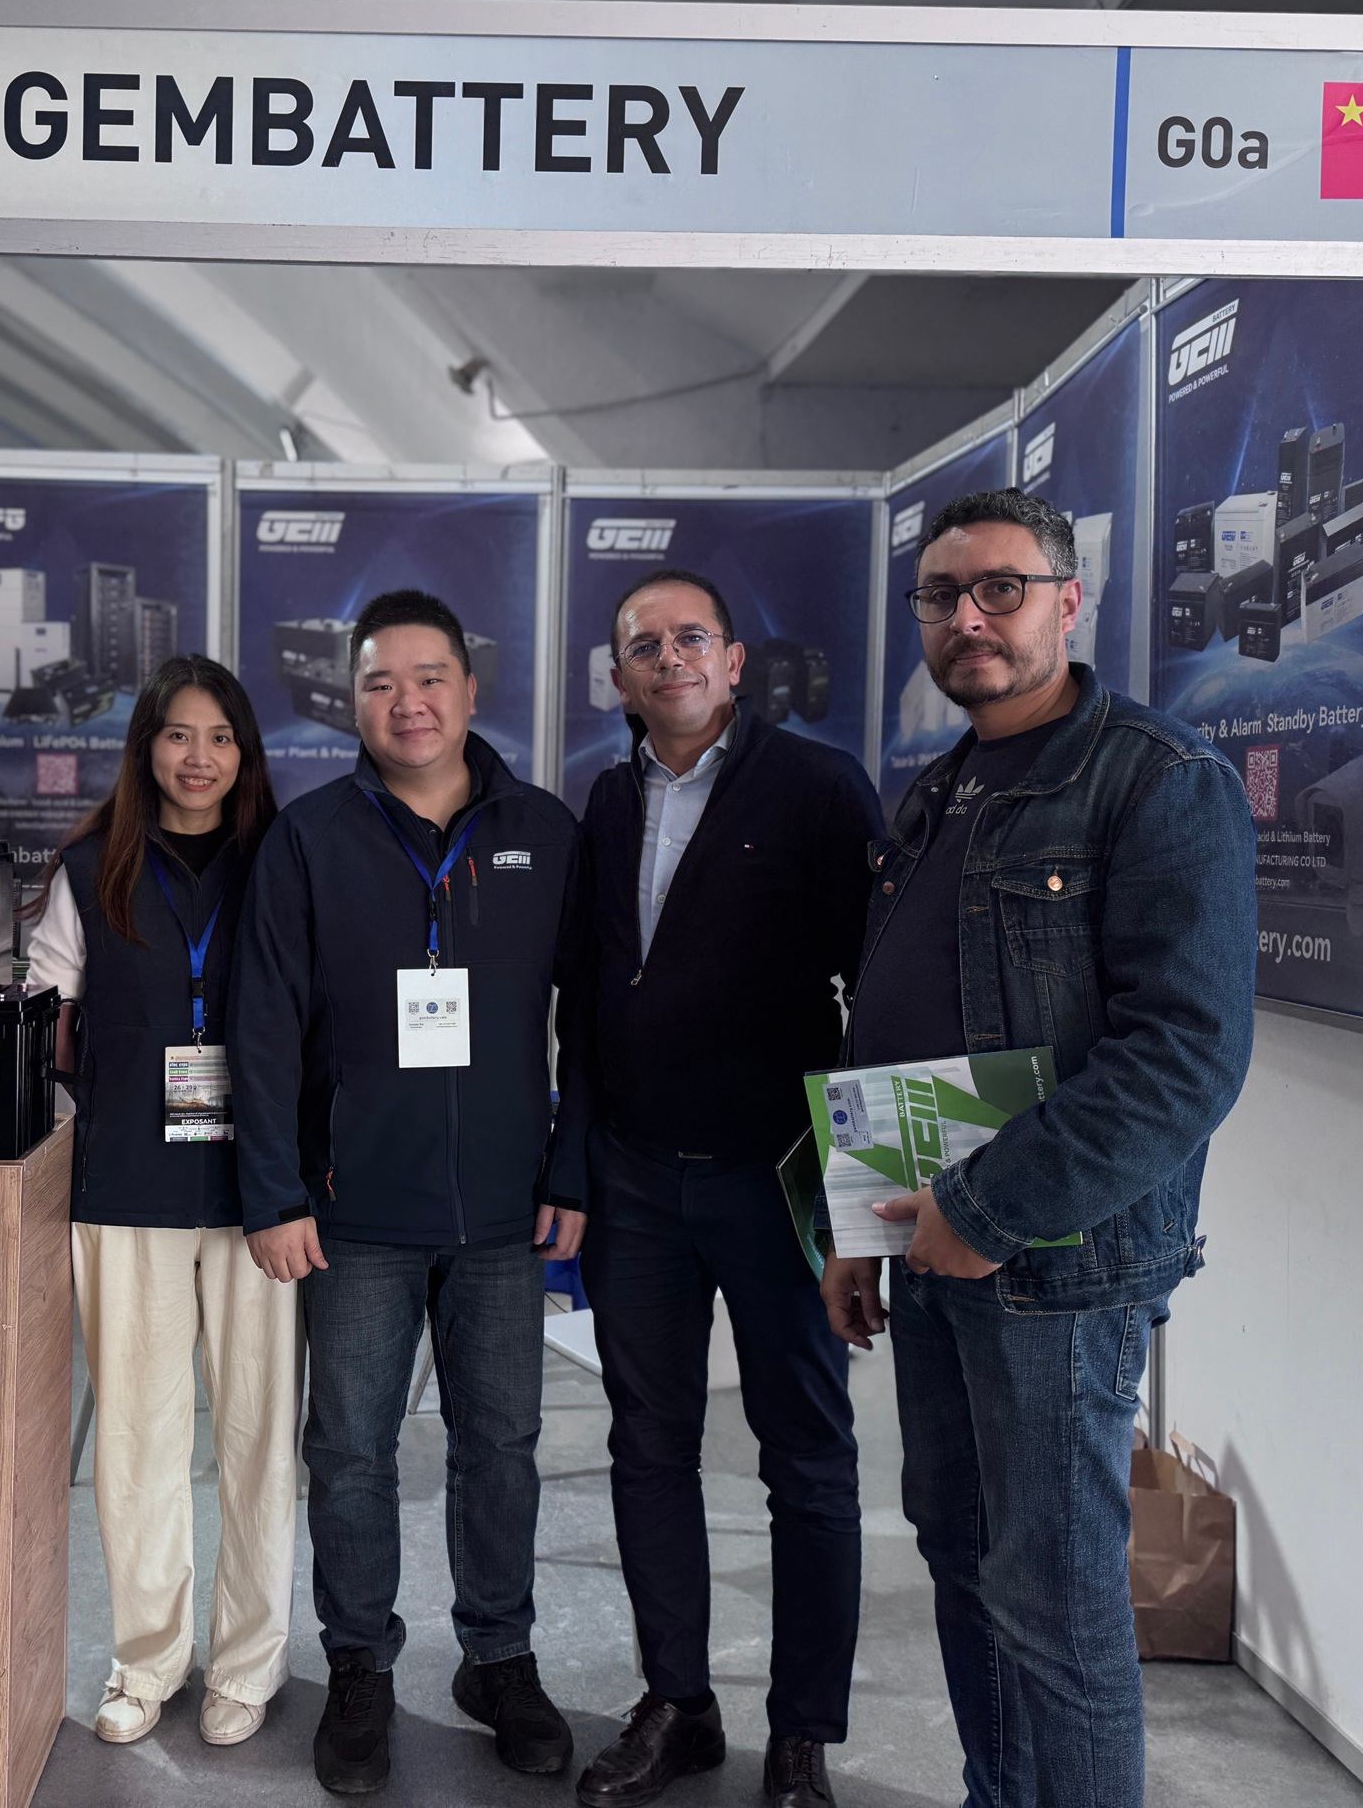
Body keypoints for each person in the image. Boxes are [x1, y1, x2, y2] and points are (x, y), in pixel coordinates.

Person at [819, 489, 1256, 1808]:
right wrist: (858, 1227)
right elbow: (891, 1020)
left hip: (1053, 1267)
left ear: (1069, 600)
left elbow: (1185, 1056)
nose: (968, 618)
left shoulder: (1156, 781)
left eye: (1000, 589)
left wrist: (986, 1207)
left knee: (1056, 1603)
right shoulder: (937, 788)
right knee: (961, 1557)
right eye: (941, 595)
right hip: (929, 1245)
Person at [232, 589, 587, 1797]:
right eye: (381, 681)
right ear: (351, 699)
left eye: (430, 678)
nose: (408, 702)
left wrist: (572, 1165)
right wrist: (274, 1192)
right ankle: (359, 1666)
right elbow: (263, 1025)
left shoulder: (541, 832)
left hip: (503, 1210)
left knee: (502, 1448)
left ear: (471, 691)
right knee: (349, 1452)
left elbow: (595, 1018)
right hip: (354, 1213)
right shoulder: (308, 838)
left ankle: (499, 1657)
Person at [559, 570, 882, 1808]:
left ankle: (801, 1735)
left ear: (735, 661)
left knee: (806, 1459)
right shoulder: (608, 798)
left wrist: (861, 1204)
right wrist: (579, 1160)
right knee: (649, 1448)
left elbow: (876, 998)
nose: (670, 658)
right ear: (619, 677)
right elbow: (588, 996)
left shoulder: (818, 789)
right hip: (637, 1182)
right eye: (644, 645)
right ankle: (679, 1705)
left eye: (691, 637)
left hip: (776, 1179)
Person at [23, 654, 299, 1752]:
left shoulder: (282, 858)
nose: (200, 757)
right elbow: (46, 1014)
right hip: (128, 1185)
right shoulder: (91, 867)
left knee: (257, 1437)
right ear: (145, 748)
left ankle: (248, 1661)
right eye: (179, 734)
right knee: (136, 1437)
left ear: (245, 752)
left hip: (258, 1192)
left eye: (220, 736)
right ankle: (146, 1660)